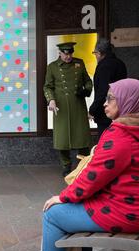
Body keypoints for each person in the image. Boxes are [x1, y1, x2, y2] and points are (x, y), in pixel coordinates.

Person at [20, 78, 139, 251]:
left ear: (127, 101)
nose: (104, 103)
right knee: (82, 204)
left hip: (130, 213)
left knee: (53, 214)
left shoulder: (122, 135)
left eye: (110, 98)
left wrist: (63, 197)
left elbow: (92, 177)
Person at [44, 42, 93, 177]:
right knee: (62, 139)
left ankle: (83, 164)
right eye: (65, 54)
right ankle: (66, 166)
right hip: (61, 107)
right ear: (59, 53)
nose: (68, 57)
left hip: (78, 104)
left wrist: (86, 90)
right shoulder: (52, 67)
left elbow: (88, 81)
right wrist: (51, 100)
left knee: (82, 137)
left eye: (70, 53)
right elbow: (47, 86)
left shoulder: (79, 63)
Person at [89, 38, 127, 141]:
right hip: (121, 111)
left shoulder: (103, 67)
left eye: (95, 53)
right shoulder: (120, 63)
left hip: (106, 114)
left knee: (106, 143)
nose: (95, 56)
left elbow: (102, 92)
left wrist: (92, 110)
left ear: (101, 53)